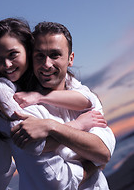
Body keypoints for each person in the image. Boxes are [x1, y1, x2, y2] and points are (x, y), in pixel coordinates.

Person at [0, 18, 105, 190]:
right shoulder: (2, 90)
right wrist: (78, 125)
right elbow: (33, 145)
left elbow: (89, 99)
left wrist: (40, 98)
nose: (6, 65)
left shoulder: (38, 85)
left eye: (12, 54)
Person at [10, 21, 116, 189]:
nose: (46, 64)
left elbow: (103, 151)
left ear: (70, 59)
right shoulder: (25, 109)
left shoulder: (81, 94)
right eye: (39, 55)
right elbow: (55, 182)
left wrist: (51, 127)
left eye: (54, 55)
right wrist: (91, 165)